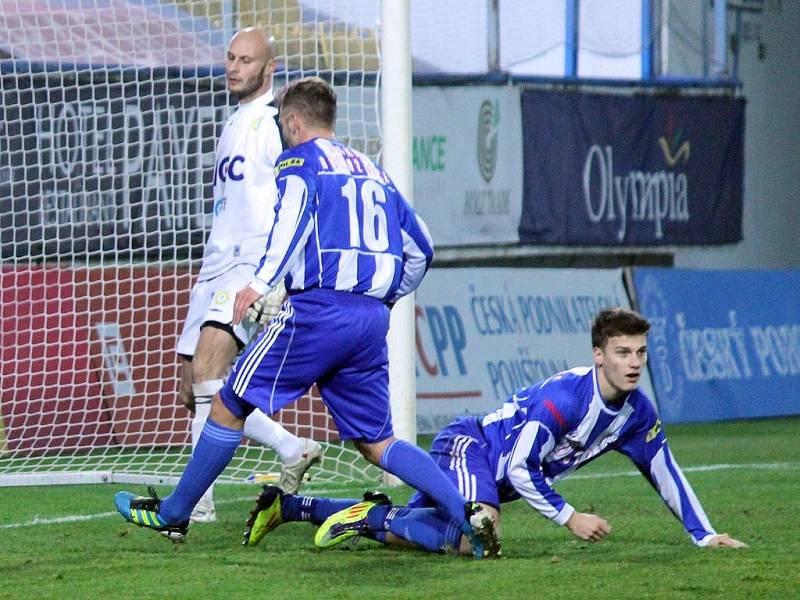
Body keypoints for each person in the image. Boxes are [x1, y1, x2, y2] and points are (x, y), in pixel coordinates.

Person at [114, 77, 499, 558]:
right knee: (378, 441)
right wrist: (386, 300)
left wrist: (260, 281)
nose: (282, 132)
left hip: (318, 311)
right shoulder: (374, 171)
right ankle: (467, 515)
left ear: (294, 121)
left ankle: (174, 513)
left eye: (282, 124)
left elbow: (292, 217)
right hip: (369, 319)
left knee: (228, 401)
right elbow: (422, 247)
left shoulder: (301, 160)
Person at [241, 307, 747, 556]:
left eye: (640, 353)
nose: (633, 363)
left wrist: (705, 536)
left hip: (490, 477)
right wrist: (570, 518)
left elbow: (666, 471)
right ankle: (375, 514)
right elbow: (521, 468)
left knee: (445, 532)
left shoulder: (637, 413)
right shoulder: (564, 399)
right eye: (622, 352)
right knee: (479, 538)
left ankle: (291, 506)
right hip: (471, 448)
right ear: (598, 354)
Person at [174, 28, 321, 523]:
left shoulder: (276, 124)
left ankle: (197, 504)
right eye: (231, 58)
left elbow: (300, 188)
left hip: (248, 266)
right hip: (215, 262)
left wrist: (273, 274)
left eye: (246, 60)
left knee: (211, 373)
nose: (234, 67)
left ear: (269, 68)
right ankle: (293, 446)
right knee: (192, 386)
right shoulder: (234, 121)